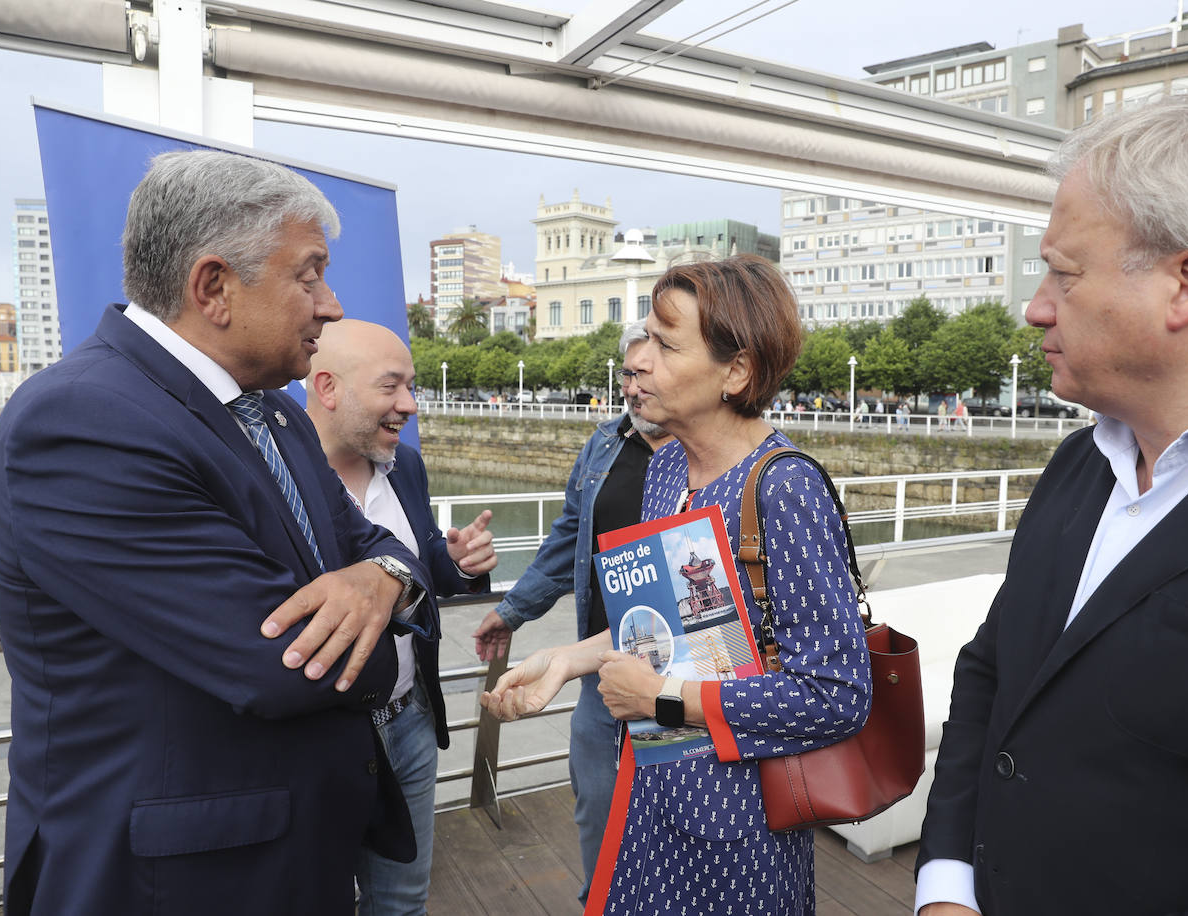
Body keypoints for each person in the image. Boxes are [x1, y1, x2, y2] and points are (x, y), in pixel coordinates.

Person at [916, 82, 1188, 915]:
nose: (1035, 308)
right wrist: (946, 886)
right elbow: (993, 675)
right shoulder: (1086, 461)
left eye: (1063, 272)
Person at [0, 150, 433, 915]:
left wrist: (382, 581)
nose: (330, 304)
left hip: (296, 853)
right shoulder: (83, 422)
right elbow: (282, 663)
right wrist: (391, 629)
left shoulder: (279, 413)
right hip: (176, 879)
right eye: (309, 274)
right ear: (214, 287)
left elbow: (377, 547)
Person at [482, 255, 872, 915]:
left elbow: (835, 697)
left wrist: (661, 700)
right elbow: (672, 621)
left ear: (737, 371)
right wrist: (566, 660)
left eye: (666, 346)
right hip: (650, 794)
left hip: (739, 828)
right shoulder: (666, 471)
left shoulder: (786, 489)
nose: (642, 363)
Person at [472, 320, 672, 903]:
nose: (632, 388)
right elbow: (566, 542)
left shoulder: (711, 461)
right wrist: (511, 611)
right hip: (598, 675)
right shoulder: (605, 444)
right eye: (627, 374)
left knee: (675, 828)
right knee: (600, 819)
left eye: (646, 374)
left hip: (682, 677)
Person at [306, 318, 496, 916]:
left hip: (409, 724)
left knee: (401, 904)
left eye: (410, 386)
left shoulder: (404, 465)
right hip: (319, 742)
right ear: (328, 387)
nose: (409, 405)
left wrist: (458, 564)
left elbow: (416, 573)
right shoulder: (275, 479)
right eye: (392, 387)